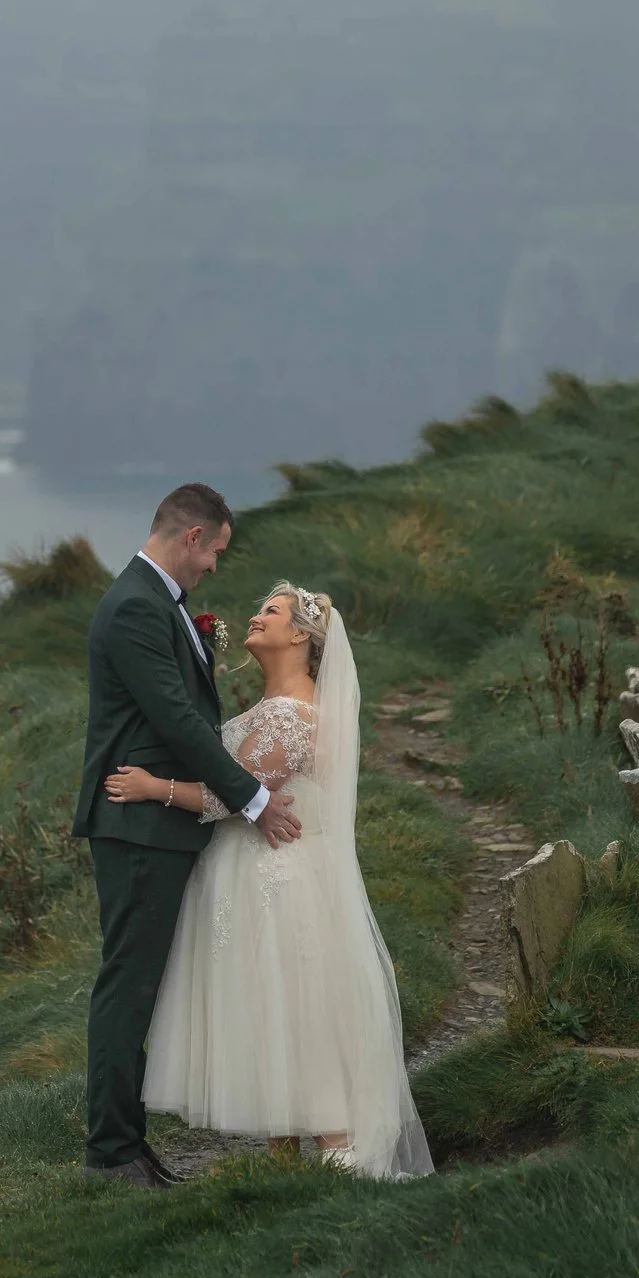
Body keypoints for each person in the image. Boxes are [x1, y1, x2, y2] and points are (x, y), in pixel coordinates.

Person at [105, 581, 434, 1179]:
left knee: (295, 1008)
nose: (255, 618)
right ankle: (285, 1169)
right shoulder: (266, 710)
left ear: (301, 637)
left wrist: (155, 788)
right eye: (258, 607)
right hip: (251, 879)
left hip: (279, 885)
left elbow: (231, 795)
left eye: (272, 612)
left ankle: (340, 1159)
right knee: (269, 1011)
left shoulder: (295, 716)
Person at [71, 483, 301, 1188]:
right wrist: (254, 799)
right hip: (138, 828)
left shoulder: (153, 602)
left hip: (155, 826)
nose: (214, 569)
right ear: (192, 536)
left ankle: (129, 1146)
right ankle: (111, 1153)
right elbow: (175, 719)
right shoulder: (138, 606)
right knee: (126, 988)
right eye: (216, 552)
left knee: (137, 986)